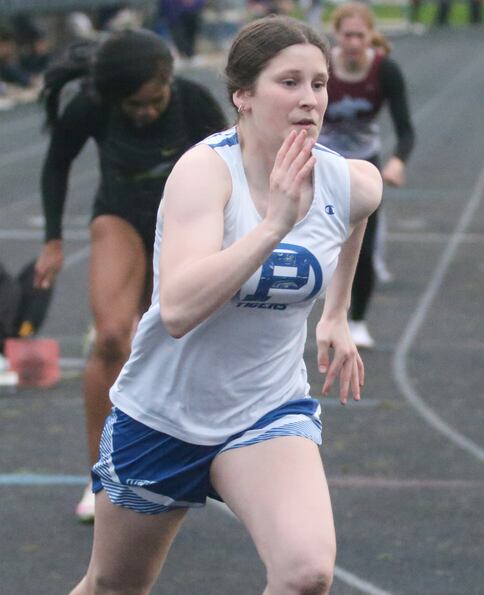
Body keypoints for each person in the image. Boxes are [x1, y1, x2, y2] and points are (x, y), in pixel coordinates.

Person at [68, 15, 381, 594]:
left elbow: (360, 208)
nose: (310, 99)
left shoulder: (345, 180)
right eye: (289, 82)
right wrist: (274, 225)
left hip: (265, 410)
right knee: (113, 585)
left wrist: (336, 313)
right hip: (163, 415)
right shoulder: (204, 173)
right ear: (243, 96)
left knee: (306, 573)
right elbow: (180, 309)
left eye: (319, 83)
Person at [34, 28, 227, 522]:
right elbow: (57, 165)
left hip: (183, 225)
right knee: (113, 338)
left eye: (152, 101)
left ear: (168, 80)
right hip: (119, 217)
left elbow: (234, 171)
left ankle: (188, 463)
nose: (144, 113)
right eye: (132, 106)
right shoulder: (92, 105)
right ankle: (100, 477)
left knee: (175, 342)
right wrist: (53, 240)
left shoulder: (194, 104)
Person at [319, 2, 414, 348]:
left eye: (361, 35)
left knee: (364, 246)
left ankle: (356, 320)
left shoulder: (385, 71)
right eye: (348, 35)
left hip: (363, 164)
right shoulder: (322, 65)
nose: (354, 42)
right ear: (337, 34)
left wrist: (398, 161)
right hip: (321, 161)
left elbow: (406, 129)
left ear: (371, 36)